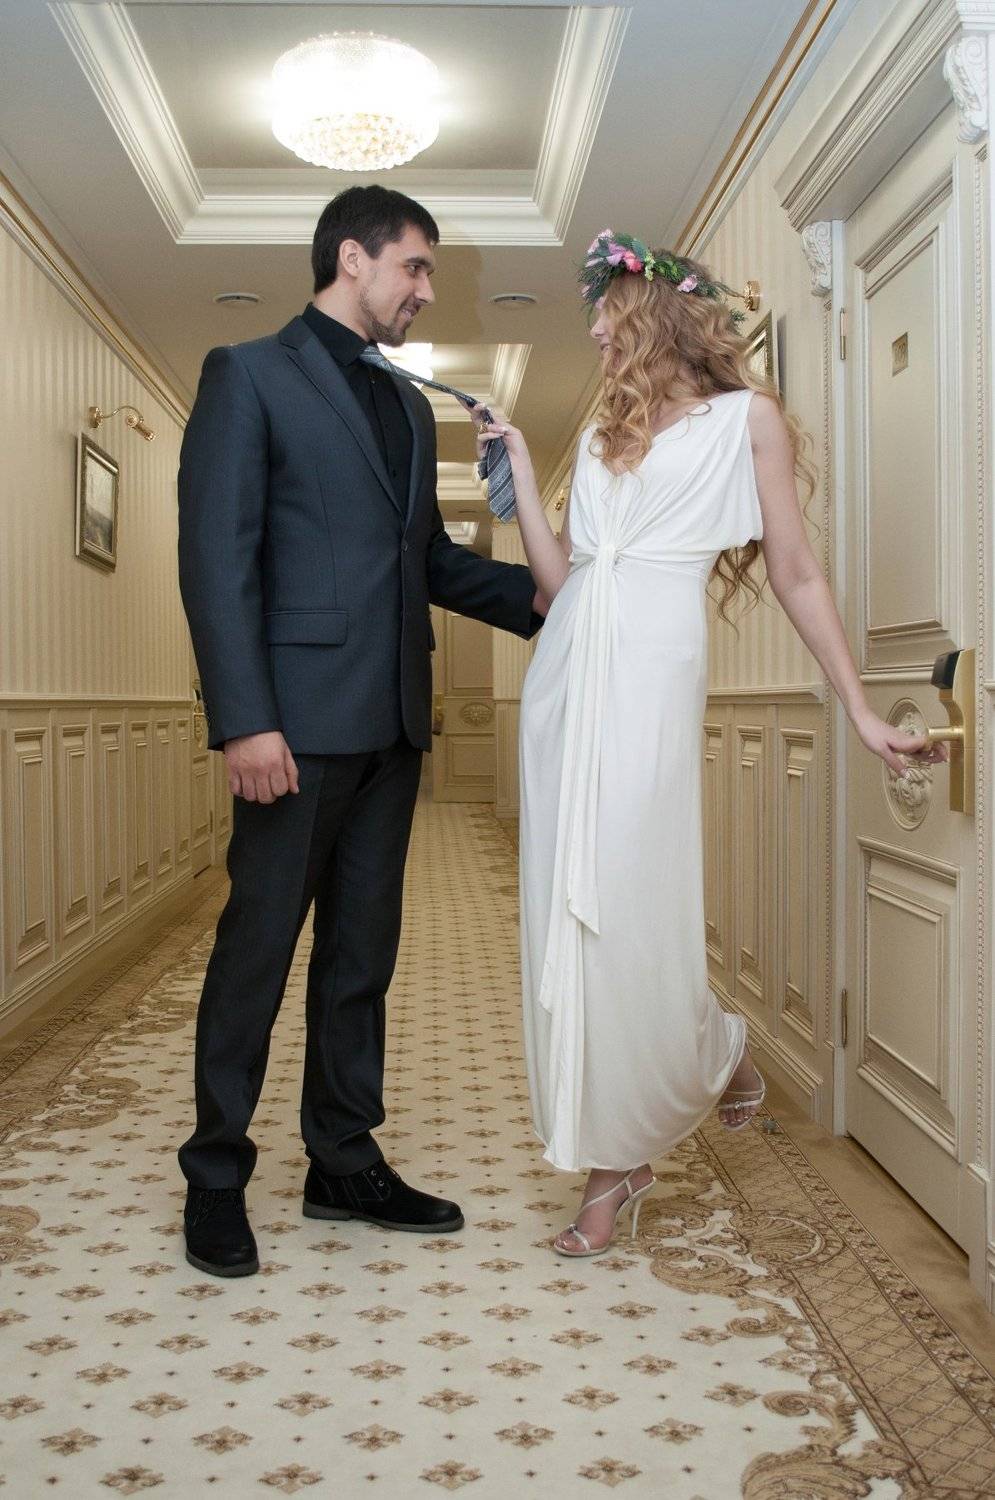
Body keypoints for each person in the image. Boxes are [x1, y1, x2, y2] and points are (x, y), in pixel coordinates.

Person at [475, 230, 946, 1258]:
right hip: (566, 676)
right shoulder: (600, 437)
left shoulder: (746, 420)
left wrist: (860, 708)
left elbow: (796, 571)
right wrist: (515, 466)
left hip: (651, 668)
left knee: (629, 907)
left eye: (605, 313)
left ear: (654, 314)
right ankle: (650, 1117)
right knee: (568, 914)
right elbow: (559, 585)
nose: (593, 332)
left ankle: (637, 1137)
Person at [176, 185, 544, 1277]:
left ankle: (341, 1159)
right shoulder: (247, 373)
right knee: (256, 952)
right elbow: (216, 561)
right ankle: (214, 1175)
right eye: (415, 267)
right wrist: (245, 720)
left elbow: (422, 561)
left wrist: (553, 598)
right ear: (352, 258)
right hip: (289, 730)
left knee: (360, 958)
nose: (426, 290)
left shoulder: (404, 405)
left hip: (390, 727)